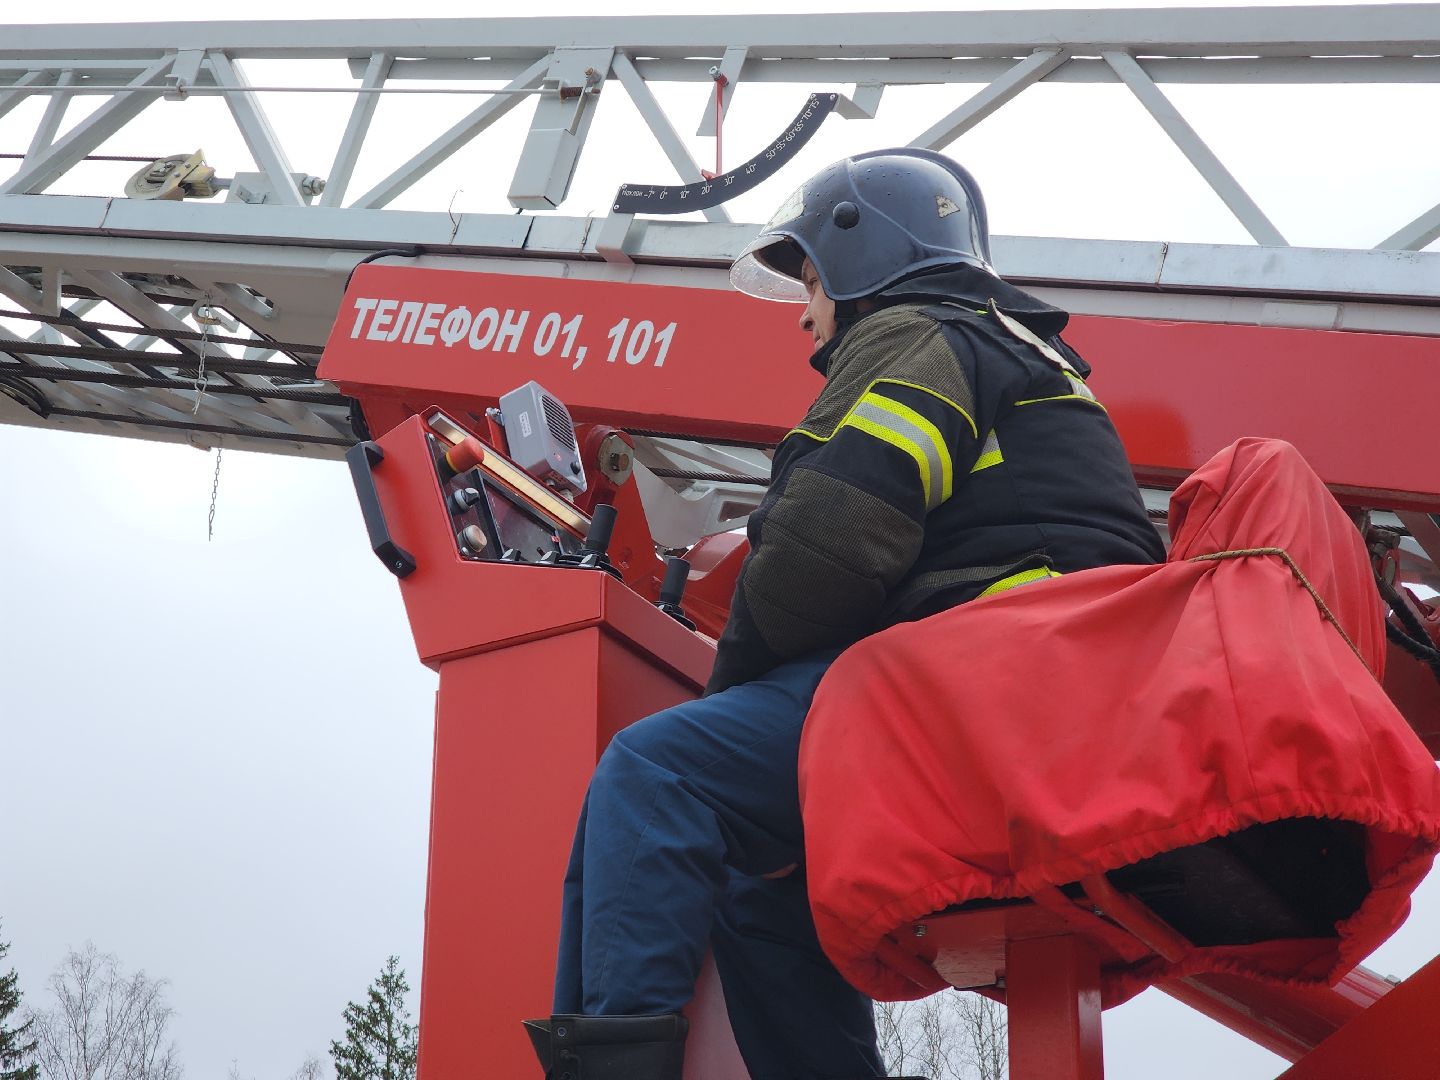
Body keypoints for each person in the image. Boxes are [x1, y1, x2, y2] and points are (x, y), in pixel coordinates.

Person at [524, 148, 1166, 1080]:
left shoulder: (921, 337)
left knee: (657, 772)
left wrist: (723, 701)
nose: (804, 309)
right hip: (1053, 703)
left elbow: (827, 545)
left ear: (864, 264)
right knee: (763, 876)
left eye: (813, 279)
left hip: (996, 691)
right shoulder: (1023, 355)